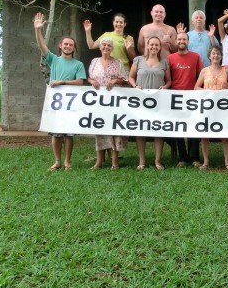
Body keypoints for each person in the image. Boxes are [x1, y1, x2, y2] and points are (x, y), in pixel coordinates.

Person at [33, 12, 86, 171]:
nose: (68, 46)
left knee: (68, 134)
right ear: (60, 46)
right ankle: (57, 161)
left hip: (71, 103)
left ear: (74, 48)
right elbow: (42, 46)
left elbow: (80, 82)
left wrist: (62, 82)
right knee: (55, 133)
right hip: (55, 102)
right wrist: (38, 30)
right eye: (66, 44)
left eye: (71, 45)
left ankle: (67, 161)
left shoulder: (78, 64)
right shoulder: (54, 60)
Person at [128, 36, 171, 170]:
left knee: (158, 131)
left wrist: (165, 86)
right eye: (151, 44)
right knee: (141, 130)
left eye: (156, 45)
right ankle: (142, 161)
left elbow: (169, 80)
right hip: (141, 101)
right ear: (147, 45)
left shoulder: (164, 62)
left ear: (160, 47)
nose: (154, 47)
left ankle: (158, 161)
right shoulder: (138, 60)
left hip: (158, 101)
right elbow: (131, 77)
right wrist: (135, 86)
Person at [87, 38, 128, 170]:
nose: (106, 47)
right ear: (100, 47)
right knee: (100, 128)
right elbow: (89, 77)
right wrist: (92, 82)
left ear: (112, 48)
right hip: (99, 102)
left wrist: (115, 80)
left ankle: (115, 160)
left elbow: (125, 80)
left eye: (109, 45)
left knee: (114, 129)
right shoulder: (94, 61)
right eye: (104, 45)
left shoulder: (118, 62)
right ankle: (99, 160)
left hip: (114, 102)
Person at [194, 46, 228, 170]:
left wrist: (225, 91)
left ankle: (227, 161)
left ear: (221, 56)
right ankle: (206, 161)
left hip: (223, 107)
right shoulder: (204, 71)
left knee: (224, 135)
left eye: (218, 53)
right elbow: (196, 87)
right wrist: (206, 90)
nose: (215, 56)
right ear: (209, 56)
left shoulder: (226, 71)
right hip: (208, 107)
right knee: (205, 135)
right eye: (213, 53)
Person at [168, 32, 203, 167]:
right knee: (179, 128)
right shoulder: (170, 58)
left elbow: (201, 76)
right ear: (176, 41)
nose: (181, 41)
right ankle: (182, 158)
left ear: (188, 41)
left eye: (184, 39)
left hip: (192, 97)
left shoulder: (196, 56)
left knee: (194, 127)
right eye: (179, 39)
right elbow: (168, 78)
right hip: (176, 97)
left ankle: (194, 158)